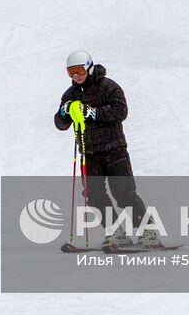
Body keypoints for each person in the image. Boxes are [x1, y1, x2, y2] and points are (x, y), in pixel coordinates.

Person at [53, 51, 159, 251]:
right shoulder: (70, 94)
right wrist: (63, 112)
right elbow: (60, 124)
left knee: (123, 193)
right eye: (70, 73)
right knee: (93, 195)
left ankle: (148, 230)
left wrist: (93, 113)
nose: (76, 76)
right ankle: (117, 232)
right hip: (89, 152)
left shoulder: (108, 86)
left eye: (78, 71)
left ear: (89, 67)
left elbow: (121, 111)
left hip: (114, 149)